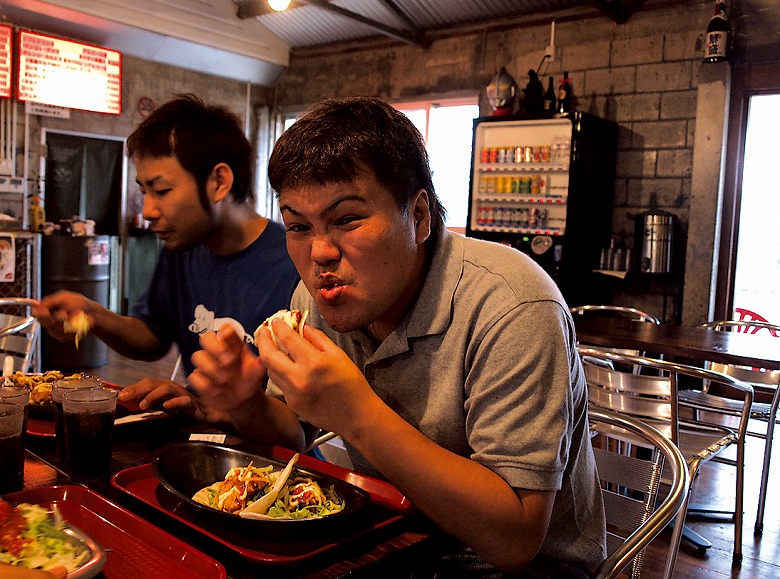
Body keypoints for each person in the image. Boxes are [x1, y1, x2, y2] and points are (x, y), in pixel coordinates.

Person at [189, 97, 605, 576]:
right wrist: (248, 405)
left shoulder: (513, 305)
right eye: (299, 225)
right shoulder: (315, 298)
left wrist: (354, 411)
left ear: (420, 216)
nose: (319, 253)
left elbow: (515, 539)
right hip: (393, 530)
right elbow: (293, 432)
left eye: (346, 219)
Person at [33, 94, 299, 420]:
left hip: (276, 461)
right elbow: (153, 337)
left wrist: (202, 407)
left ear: (218, 182)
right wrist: (92, 315)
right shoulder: (183, 249)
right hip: (199, 448)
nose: (147, 211)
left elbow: (298, 424)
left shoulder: (293, 260)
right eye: (144, 192)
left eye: (161, 191)